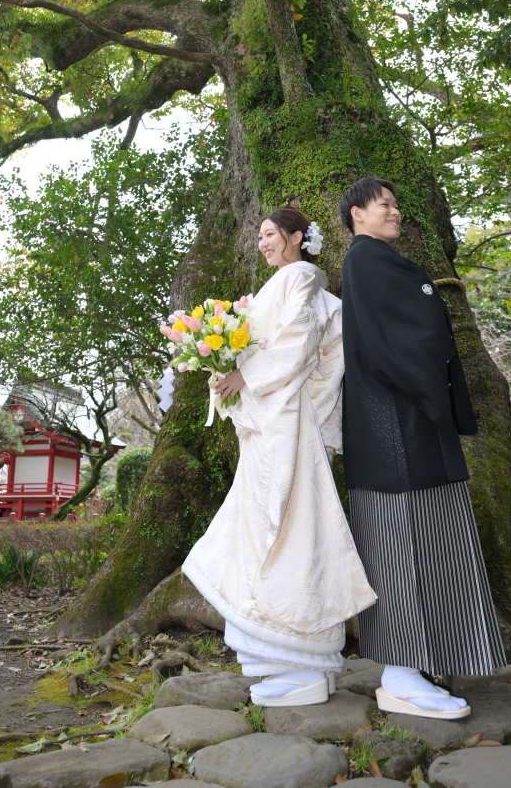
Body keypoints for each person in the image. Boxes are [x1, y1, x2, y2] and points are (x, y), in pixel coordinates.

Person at [182, 207, 376, 708]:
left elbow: (299, 342)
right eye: (260, 236)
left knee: (286, 524)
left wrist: (244, 376)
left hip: (286, 423)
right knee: (264, 525)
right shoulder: (283, 281)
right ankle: (282, 656)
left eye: (270, 234)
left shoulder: (303, 276)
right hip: (270, 421)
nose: (263, 243)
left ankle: (301, 654)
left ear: (295, 237)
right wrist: (227, 370)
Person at [339, 176, 505, 721]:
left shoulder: (381, 261)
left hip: (412, 421)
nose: (395, 212)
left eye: (396, 204)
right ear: (356, 216)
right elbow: (391, 346)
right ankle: (398, 676)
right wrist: (437, 395)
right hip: (394, 428)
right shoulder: (364, 260)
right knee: (397, 548)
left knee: (432, 547)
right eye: (383, 204)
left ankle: (422, 663)